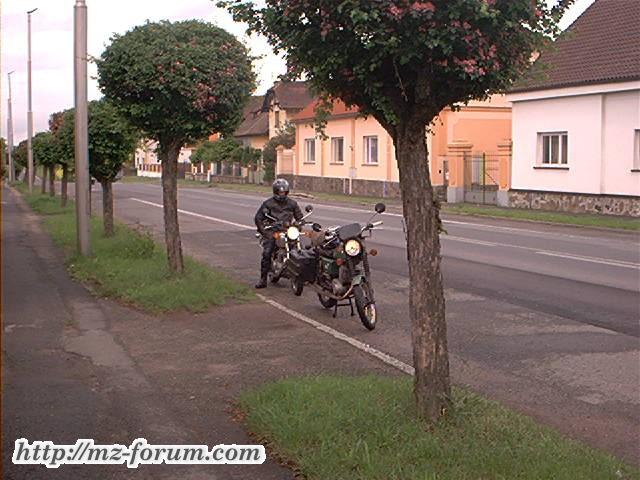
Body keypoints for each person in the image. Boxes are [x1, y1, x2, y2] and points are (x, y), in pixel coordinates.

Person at [254, 178, 303, 289]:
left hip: (287, 230)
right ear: (275, 191)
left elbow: (299, 217)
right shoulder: (268, 204)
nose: (282, 194)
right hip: (273, 231)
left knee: (301, 250)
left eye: (284, 192)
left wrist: (299, 224)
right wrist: (264, 232)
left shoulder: (292, 203)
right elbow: (258, 218)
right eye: (280, 192)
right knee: (267, 253)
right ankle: (263, 279)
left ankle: (302, 276)